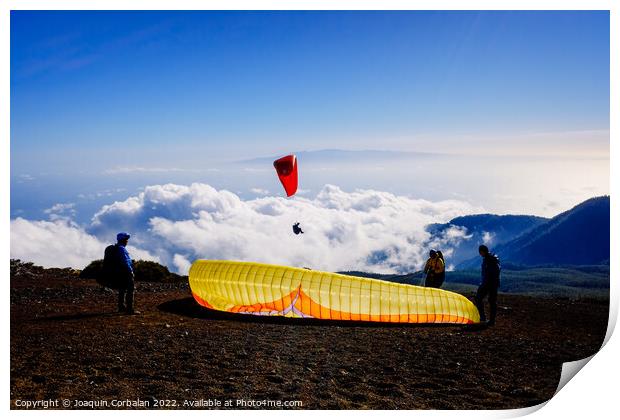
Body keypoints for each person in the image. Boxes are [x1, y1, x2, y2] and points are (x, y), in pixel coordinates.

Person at [103, 232, 139, 315]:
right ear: (123, 240)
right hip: (125, 272)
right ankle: (130, 309)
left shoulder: (115, 248)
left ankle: (121, 307)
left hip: (118, 273)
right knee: (130, 289)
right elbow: (125, 261)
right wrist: (131, 271)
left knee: (122, 289)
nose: (127, 241)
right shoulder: (122, 249)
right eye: (126, 239)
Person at [475, 245, 500, 325]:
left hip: (488, 284)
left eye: (480, 252)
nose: (480, 254)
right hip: (493, 283)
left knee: (479, 298)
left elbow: (487, 274)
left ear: (482, 251)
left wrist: (483, 284)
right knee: (492, 301)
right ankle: (491, 320)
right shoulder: (492, 258)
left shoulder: (489, 260)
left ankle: (484, 318)